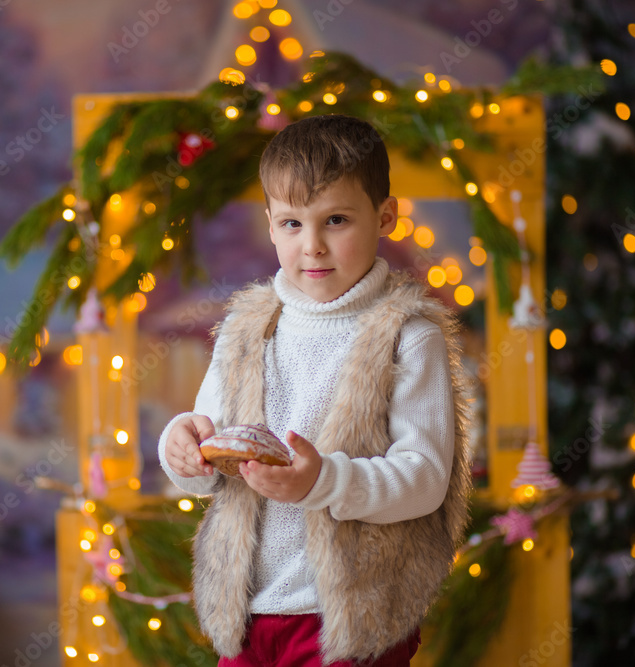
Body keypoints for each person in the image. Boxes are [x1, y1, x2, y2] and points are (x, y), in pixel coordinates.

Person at [158, 114, 472, 667]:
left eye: (336, 220)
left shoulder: (406, 337)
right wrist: (183, 446)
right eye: (293, 224)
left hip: (352, 615)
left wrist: (323, 480)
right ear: (271, 225)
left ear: (385, 215)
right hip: (248, 612)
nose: (314, 246)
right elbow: (212, 458)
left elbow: (425, 479)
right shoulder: (244, 330)